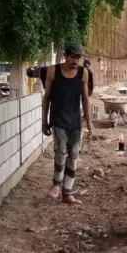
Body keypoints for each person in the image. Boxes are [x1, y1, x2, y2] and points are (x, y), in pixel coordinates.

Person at [43, 42, 94, 205]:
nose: (75, 62)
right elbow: (47, 97)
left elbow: (85, 99)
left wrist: (89, 123)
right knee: (61, 151)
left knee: (73, 154)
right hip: (58, 119)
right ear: (65, 56)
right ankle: (57, 184)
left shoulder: (83, 73)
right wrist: (44, 120)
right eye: (73, 57)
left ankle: (67, 192)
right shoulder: (53, 71)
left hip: (75, 120)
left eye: (78, 58)